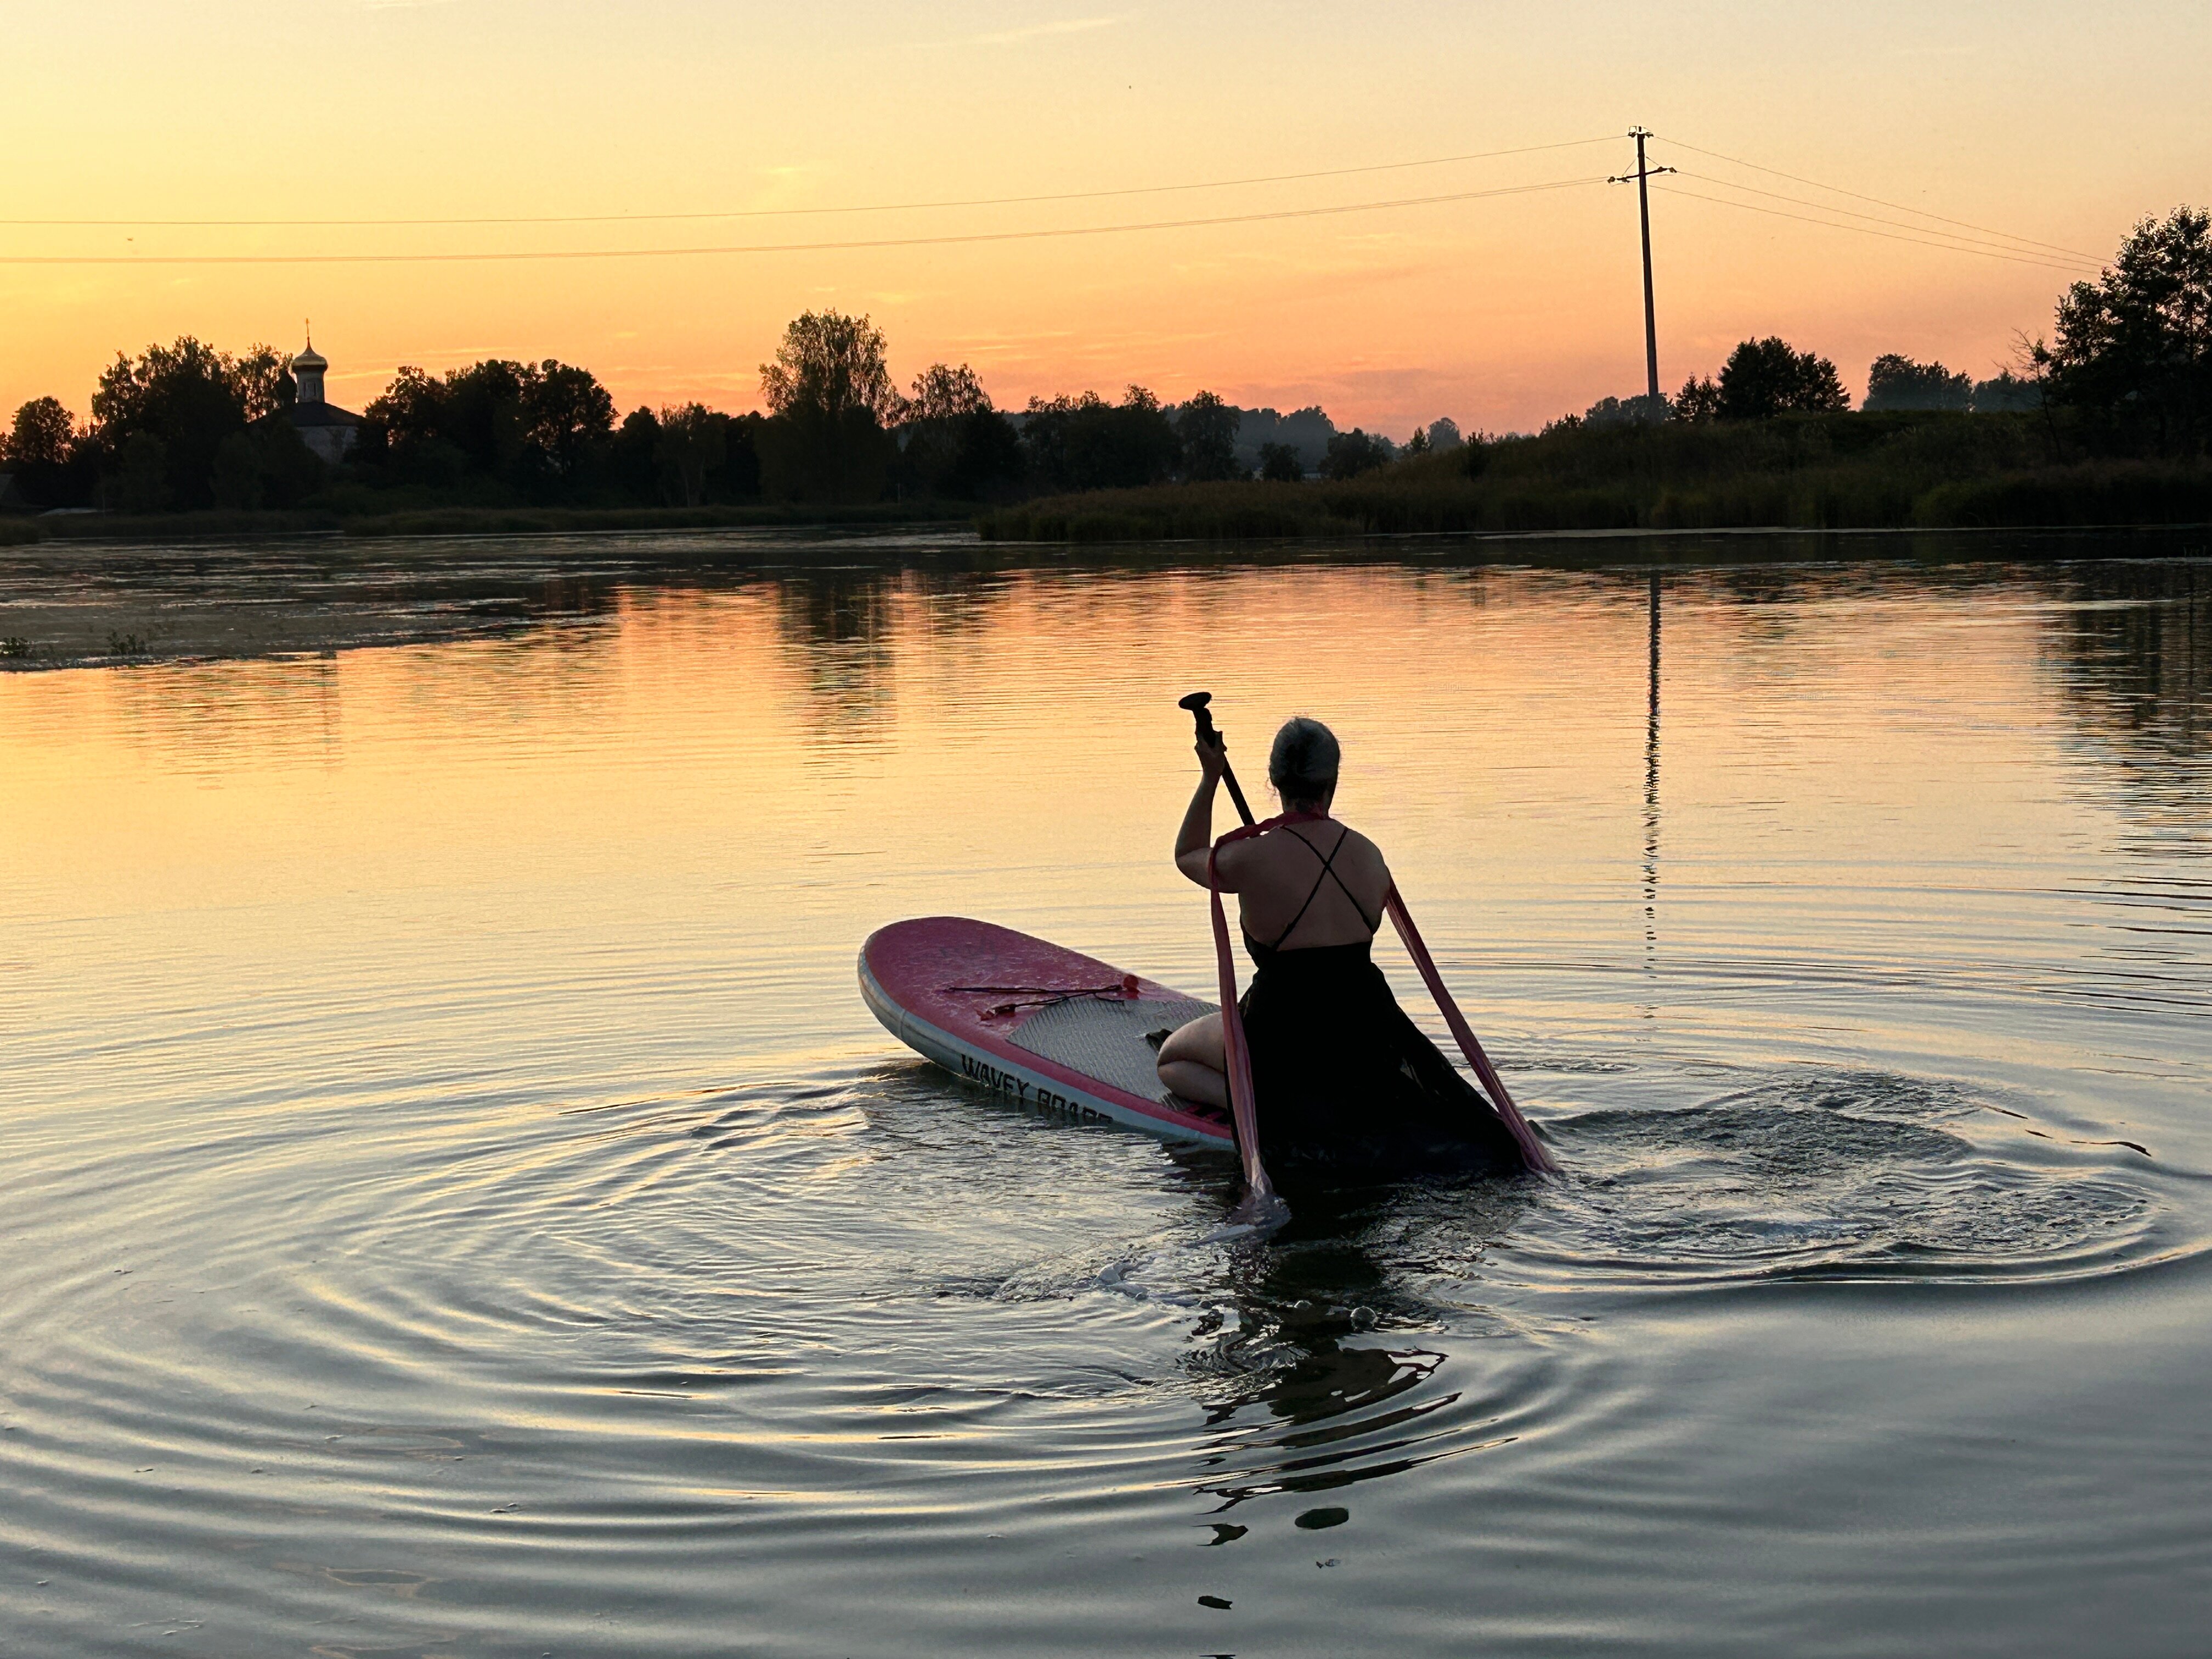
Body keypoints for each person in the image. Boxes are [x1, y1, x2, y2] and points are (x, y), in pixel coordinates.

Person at [1155, 716, 1524, 1173]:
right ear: (1332, 781)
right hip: (1364, 1035)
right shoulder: (1369, 856)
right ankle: (1316, 1104)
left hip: (1283, 1036)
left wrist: (1211, 776)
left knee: (1171, 1059)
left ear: (1274, 782)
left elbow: (1187, 854)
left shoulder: (1249, 857)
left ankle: (1262, 1107)